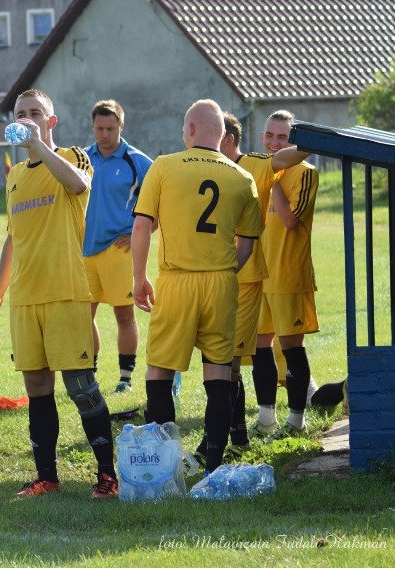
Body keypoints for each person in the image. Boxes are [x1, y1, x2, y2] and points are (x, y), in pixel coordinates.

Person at [0, 89, 119, 499]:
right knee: (37, 388)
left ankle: (107, 478)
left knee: (81, 386)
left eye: (35, 113)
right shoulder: (16, 175)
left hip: (66, 292)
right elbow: (13, 239)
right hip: (26, 298)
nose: (27, 119)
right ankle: (47, 477)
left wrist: (38, 144)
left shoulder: (74, 156)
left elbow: (78, 186)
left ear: (51, 121)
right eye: (21, 114)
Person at [131, 99, 263, 475]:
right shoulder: (242, 177)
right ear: (223, 136)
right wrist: (223, 270)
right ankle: (214, 468)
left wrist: (139, 279)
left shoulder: (164, 166)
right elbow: (248, 243)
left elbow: (141, 226)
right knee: (219, 374)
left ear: (189, 130)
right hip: (221, 283)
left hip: (177, 280)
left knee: (160, 371)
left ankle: (163, 468)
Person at [191, 111, 310, 462]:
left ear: (226, 138)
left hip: (244, 278)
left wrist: (311, 140)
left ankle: (213, 447)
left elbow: (283, 159)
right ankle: (239, 435)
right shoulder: (203, 167)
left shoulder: (255, 165)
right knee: (223, 359)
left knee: (226, 361)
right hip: (210, 277)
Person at [249, 110, 321, 441]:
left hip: (289, 275)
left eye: (282, 137)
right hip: (258, 276)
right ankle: (266, 418)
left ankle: (296, 420)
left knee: (291, 346)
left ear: (292, 142)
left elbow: (291, 221)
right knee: (259, 346)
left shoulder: (306, 173)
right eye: (269, 136)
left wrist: (273, 180)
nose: (274, 143)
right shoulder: (251, 171)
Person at [82, 99, 153, 394]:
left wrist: (139, 233)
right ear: (93, 127)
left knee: (124, 315)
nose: (105, 134)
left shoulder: (137, 161)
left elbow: (162, 205)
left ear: (121, 127)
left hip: (119, 249)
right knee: (83, 316)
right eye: (99, 128)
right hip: (83, 251)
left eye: (111, 128)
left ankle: (125, 378)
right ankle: (90, 375)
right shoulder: (80, 158)